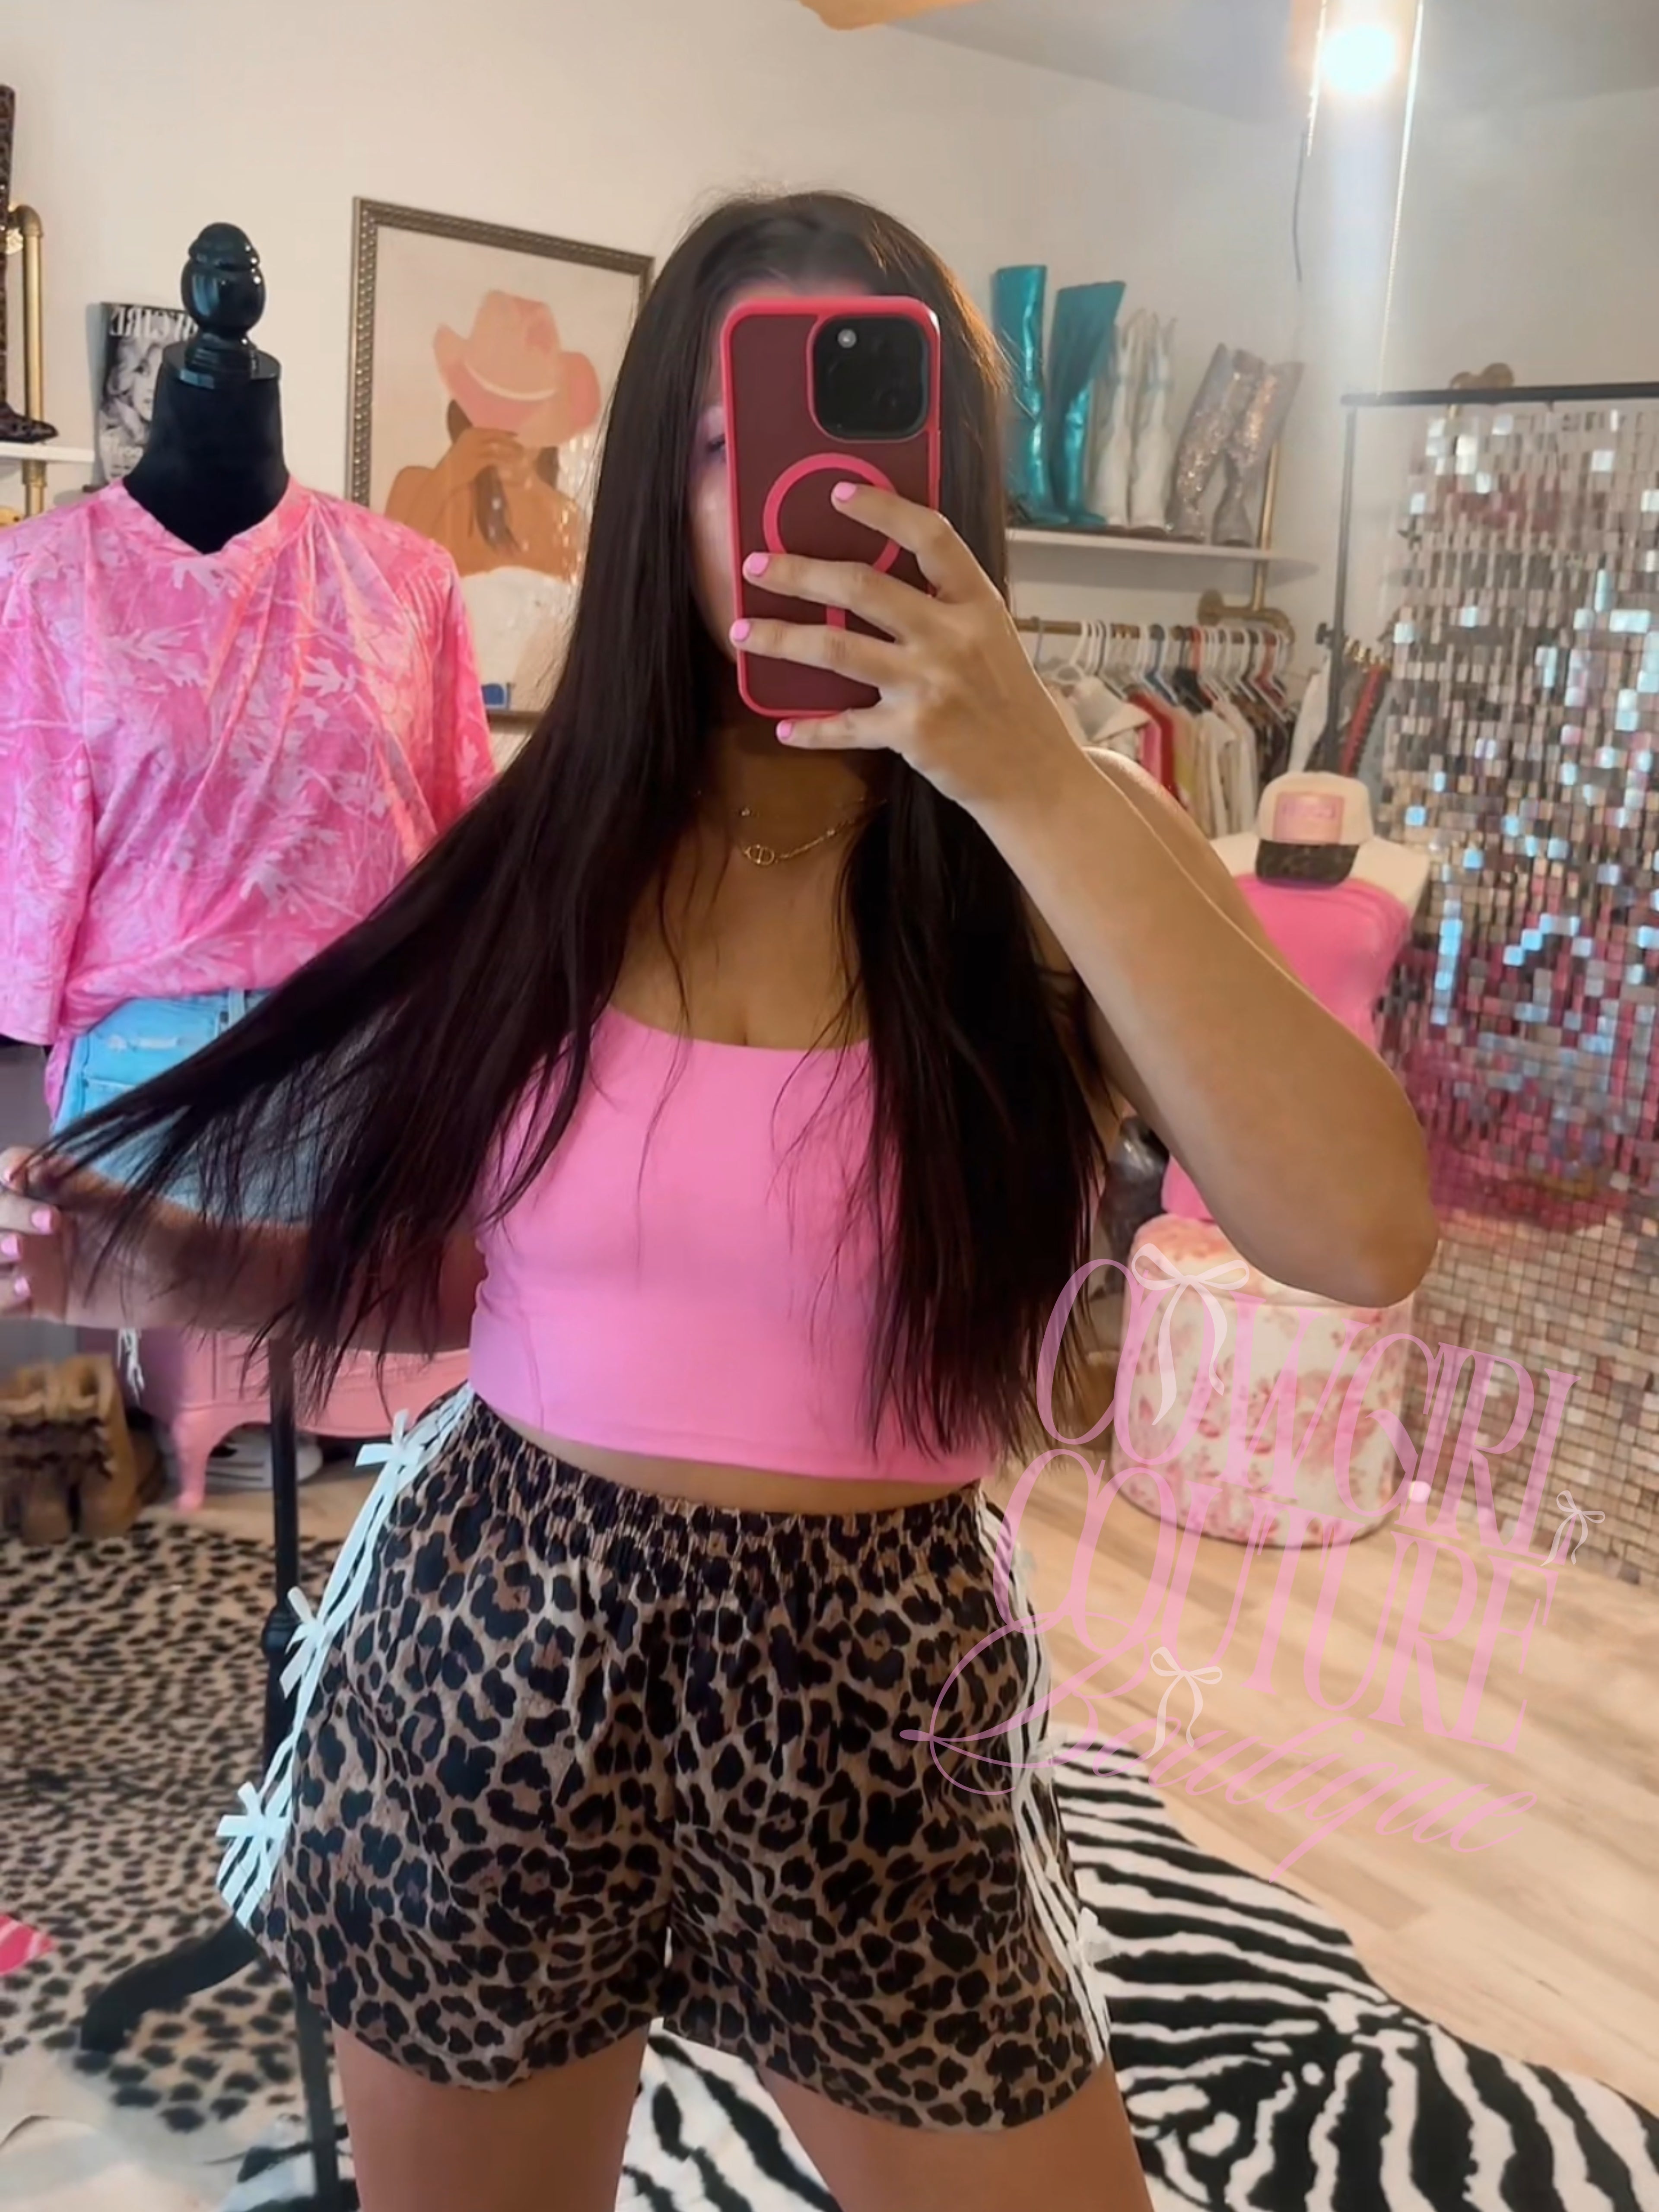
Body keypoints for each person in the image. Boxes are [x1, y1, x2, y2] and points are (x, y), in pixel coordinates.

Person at [0, 191, 1437, 2212]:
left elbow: (1358, 1233)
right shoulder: (554, 847)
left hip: (883, 1690)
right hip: (500, 1644)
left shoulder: (1064, 833)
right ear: (659, 491)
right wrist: (169, 1260)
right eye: (728, 437)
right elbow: (486, 1284)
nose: (804, 495)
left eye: (876, 420)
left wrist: (1026, 773)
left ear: (952, 473)